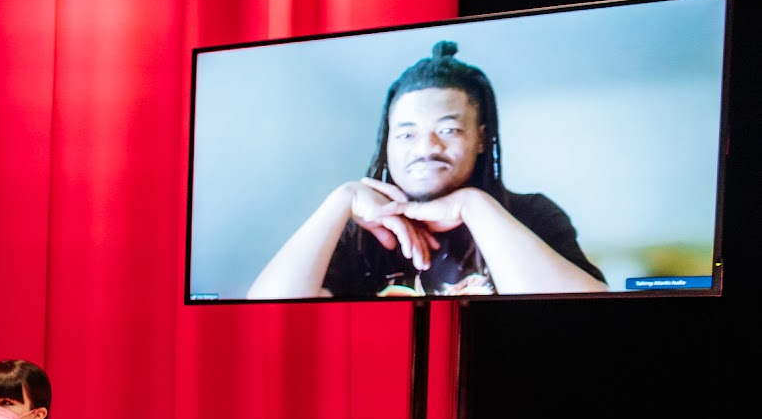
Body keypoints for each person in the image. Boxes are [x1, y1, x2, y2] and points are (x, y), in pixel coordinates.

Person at [245, 40, 609, 299]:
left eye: (447, 130)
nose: (426, 148)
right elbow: (263, 317)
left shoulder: (530, 214)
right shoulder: (358, 235)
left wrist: (474, 206)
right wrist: (339, 202)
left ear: (481, 139)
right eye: (406, 133)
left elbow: (584, 314)